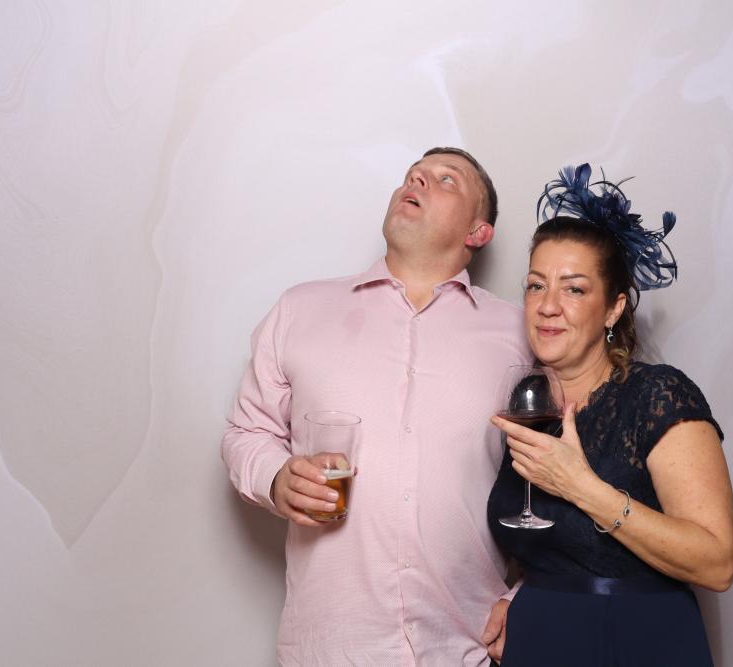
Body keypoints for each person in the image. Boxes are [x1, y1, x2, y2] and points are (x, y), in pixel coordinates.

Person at [221, 147, 531, 665]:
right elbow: (246, 433)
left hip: (467, 645)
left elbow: (560, 481)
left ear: (478, 232)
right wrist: (276, 477)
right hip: (332, 648)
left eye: (446, 180)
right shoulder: (300, 309)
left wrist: (529, 597)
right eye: (414, 174)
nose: (418, 180)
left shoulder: (520, 334)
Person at [484, 164, 733, 665]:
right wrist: (516, 599)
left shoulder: (656, 394)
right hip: (538, 642)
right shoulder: (529, 405)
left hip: (640, 643)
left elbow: (717, 563)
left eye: (574, 289)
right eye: (536, 286)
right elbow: (549, 550)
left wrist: (582, 487)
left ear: (614, 309)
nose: (548, 306)